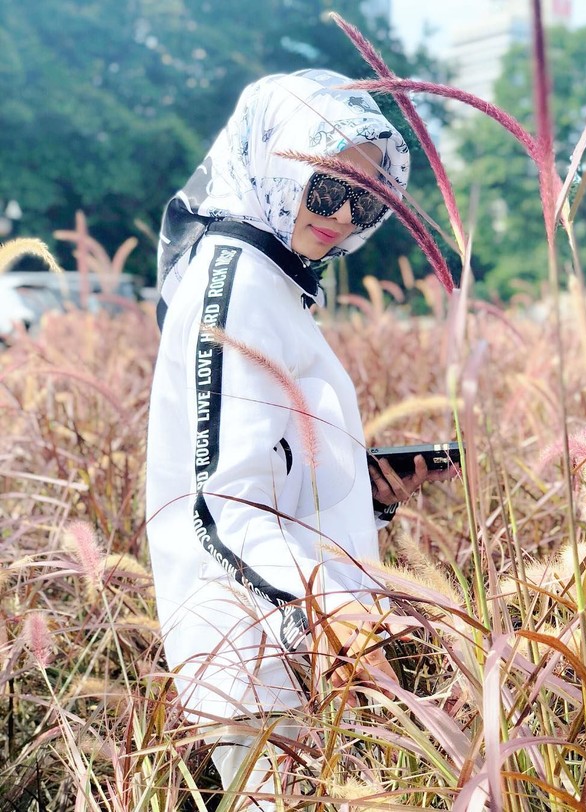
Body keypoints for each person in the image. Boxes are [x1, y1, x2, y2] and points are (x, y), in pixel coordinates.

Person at [146, 68, 450, 809]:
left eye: (364, 197)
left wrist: (370, 496)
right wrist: (331, 605)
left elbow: (277, 473)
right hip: (253, 658)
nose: (343, 216)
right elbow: (220, 502)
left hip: (296, 644)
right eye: (327, 186)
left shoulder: (274, 279)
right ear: (276, 157)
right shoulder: (237, 278)